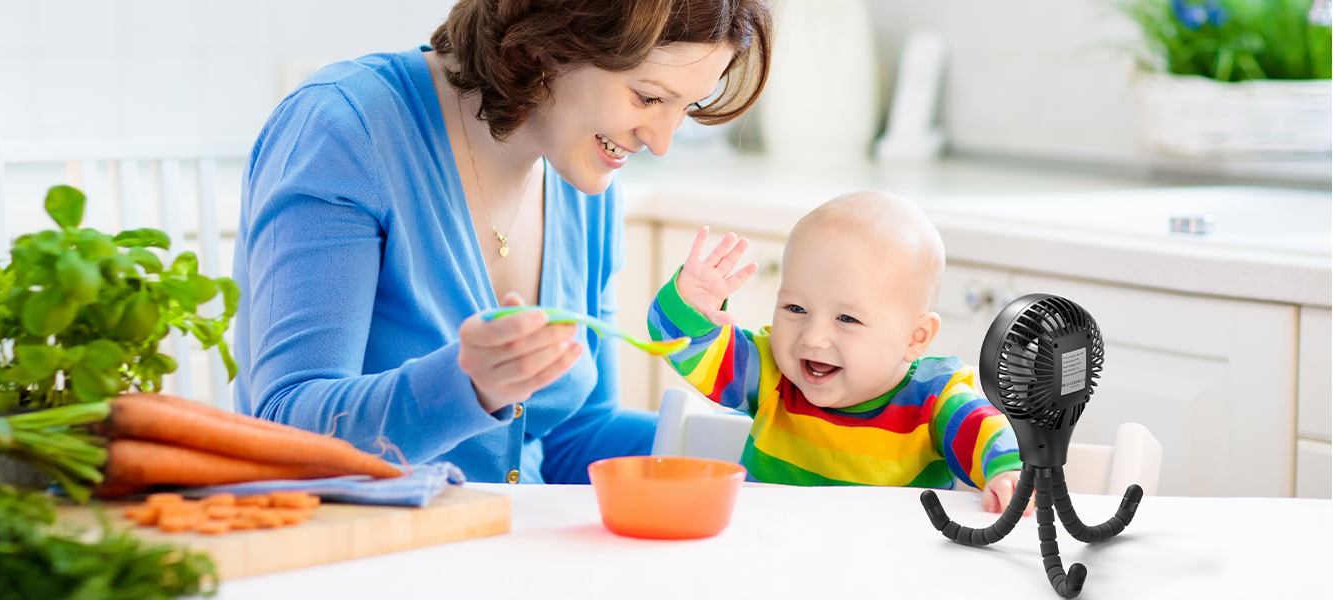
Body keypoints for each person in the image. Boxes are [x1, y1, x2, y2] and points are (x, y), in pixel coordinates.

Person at [231, 0, 773, 484]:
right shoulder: (347, 130)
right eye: (648, 97)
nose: (660, 142)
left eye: (688, 108)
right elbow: (284, 427)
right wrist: (469, 385)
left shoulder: (586, 176)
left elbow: (573, 439)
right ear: (548, 42)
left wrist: (777, 447)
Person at [647, 192, 1032, 514]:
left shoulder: (934, 401)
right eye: (795, 309)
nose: (813, 338)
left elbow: (986, 430)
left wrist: (1007, 471)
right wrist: (690, 307)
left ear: (916, 337)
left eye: (847, 318)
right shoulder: (771, 375)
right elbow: (686, 349)